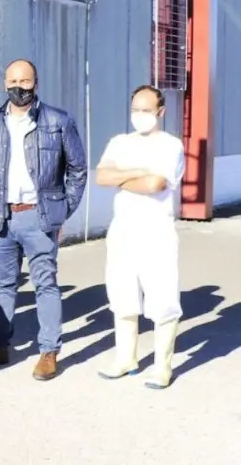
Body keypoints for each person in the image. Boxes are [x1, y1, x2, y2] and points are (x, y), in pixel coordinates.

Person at [0, 59, 87, 380]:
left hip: (39, 216)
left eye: (25, 81)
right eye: (12, 81)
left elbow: (77, 169)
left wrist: (63, 210)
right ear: (4, 84)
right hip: (0, 217)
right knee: (2, 285)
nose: (18, 87)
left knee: (45, 285)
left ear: (36, 83)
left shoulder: (58, 121)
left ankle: (49, 351)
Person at [94, 85, 184, 389]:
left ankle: (162, 366)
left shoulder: (171, 146)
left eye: (146, 110)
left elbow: (155, 183)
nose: (139, 116)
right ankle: (126, 357)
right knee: (122, 295)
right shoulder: (119, 142)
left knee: (163, 299)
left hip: (156, 232)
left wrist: (123, 177)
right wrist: (136, 173)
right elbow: (101, 176)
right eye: (135, 109)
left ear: (160, 112)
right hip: (123, 231)